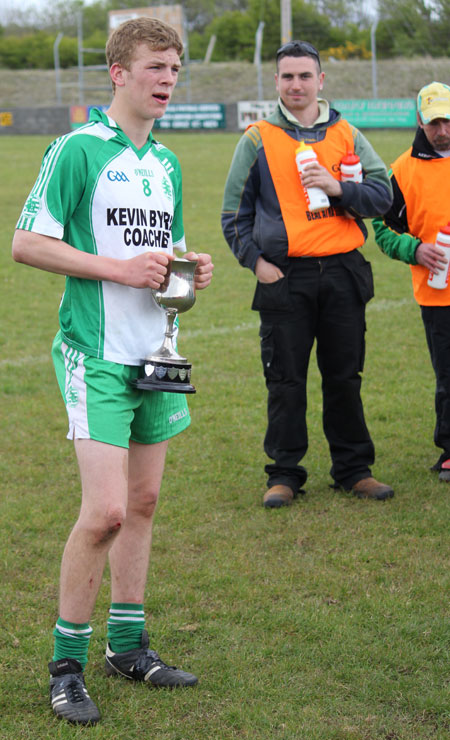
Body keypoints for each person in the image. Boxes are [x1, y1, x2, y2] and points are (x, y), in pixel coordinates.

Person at [12, 17, 213, 726]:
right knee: (106, 512)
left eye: (176, 70)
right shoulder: (79, 149)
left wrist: (190, 272)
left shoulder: (167, 163)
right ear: (120, 73)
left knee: (147, 503)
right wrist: (116, 269)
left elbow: (166, 252)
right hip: (94, 354)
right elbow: (27, 243)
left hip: (155, 352)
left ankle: (128, 647)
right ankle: (66, 666)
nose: (168, 80)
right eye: (156, 67)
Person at [221, 40, 394, 508]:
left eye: (304, 75)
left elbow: (385, 197)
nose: (296, 84)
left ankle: (354, 470)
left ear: (321, 81)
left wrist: (339, 188)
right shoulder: (256, 138)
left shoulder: (349, 134)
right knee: (285, 381)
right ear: (276, 83)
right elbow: (232, 215)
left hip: (343, 273)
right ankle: (284, 475)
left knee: (344, 377)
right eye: (287, 76)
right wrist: (258, 264)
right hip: (285, 278)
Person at [373, 81, 450, 481]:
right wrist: (416, 250)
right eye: (434, 121)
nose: (441, 129)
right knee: (449, 374)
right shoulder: (401, 171)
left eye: (447, 120)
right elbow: (382, 230)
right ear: (420, 119)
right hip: (437, 293)